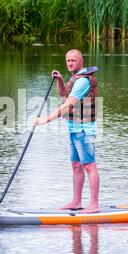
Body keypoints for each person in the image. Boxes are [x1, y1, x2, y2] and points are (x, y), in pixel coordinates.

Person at [33, 49, 100, 214]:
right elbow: (63, 95)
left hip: (84, 130)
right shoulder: (74, 78)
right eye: (68, 60)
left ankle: (94, 205)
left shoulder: (83, 81)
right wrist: (61, 80)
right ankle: (76, 202)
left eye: (73, 60)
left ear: (81, 62)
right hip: (74, 128)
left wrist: (44, 120)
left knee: (89, 166)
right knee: (76, 165)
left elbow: (67, 105)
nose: (70, 63)